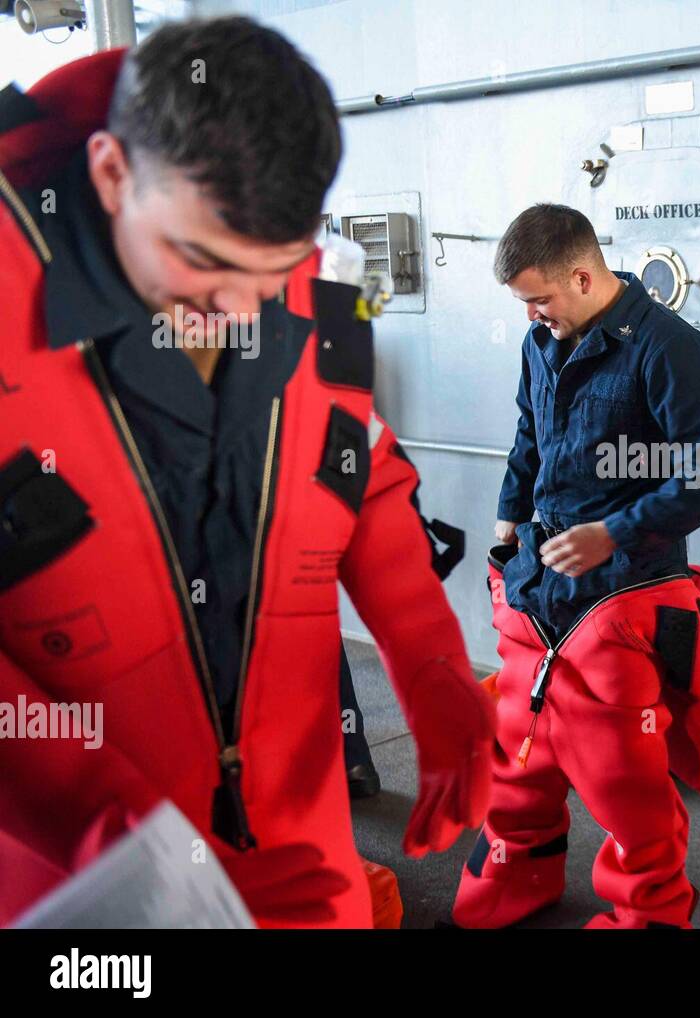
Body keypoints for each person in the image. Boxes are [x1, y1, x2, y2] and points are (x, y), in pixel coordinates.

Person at [0, 18, 494, 928]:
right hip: (81, 894)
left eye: (270, 278)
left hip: (305, 864)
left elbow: (365, 472)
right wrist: (138, 851)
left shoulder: (318, 285)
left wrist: (431, 666)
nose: (236, 311)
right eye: (203, 267)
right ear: (111, 174)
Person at [452, 203, 700, 928]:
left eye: (539, 300)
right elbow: (530, 433)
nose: (531, 317)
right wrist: (506, 523)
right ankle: (514, 883)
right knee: (518, 759)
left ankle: (646, 913)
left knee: (623, 782)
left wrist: (611, 535)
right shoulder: (542, 342)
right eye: (523, 304)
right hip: (535, 590)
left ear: (582, 276)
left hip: (623, 599)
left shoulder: (669, 350)